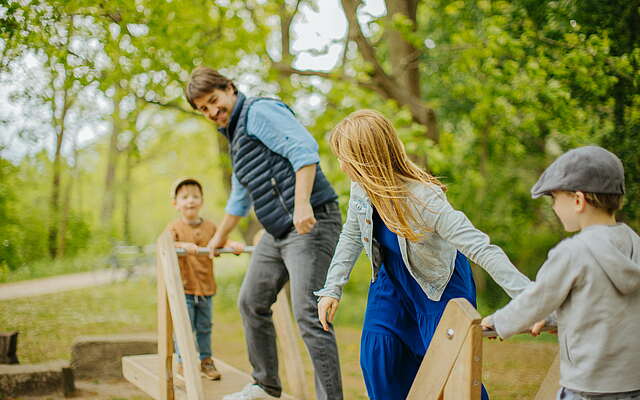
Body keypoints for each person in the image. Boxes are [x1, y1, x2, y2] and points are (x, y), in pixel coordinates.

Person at [314, 110, 532, 400]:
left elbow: (480, 247)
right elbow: (352, 236)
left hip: (438, 287)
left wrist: (532, 301)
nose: (341, 166)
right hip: (390, 283)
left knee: (451, 370)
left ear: (366, 160)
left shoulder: (424, 199)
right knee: (379, 359)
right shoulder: (361, 190)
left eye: (345, 158)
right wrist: (332, 288)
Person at [185, 67, 343, 400]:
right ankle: (265, 385)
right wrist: (218, 238)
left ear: (229, 88)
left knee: (309, 314)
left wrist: (302, 204)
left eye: (214, 101)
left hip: (311, 223)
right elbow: (240, 197)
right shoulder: (235, 136)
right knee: (251, 302)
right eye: (204, 109)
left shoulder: (259, 112)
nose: (213, 112)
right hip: (277, 232)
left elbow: (304, 150)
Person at [481, 146, 640, 400]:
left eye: (555, 199)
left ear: (578, 201)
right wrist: (558, 318)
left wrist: (498, 322)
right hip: (632, 384)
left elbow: (536, 299)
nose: (554, 207)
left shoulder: (573, 252)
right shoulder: (634, 244)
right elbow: (602, 306)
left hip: (587, 388)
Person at [167, 177, 244, 382]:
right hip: (185, 288)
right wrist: (183, 245)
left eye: (195, 196)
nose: (190, 201)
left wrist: (232, 244)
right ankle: (183, 361)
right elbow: (165, 246)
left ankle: (206, 361)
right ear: (175, 203)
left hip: (206, 288)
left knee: (204, 327)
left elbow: (221, 240)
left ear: (202, 201)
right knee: (185, 327)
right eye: (184, 197)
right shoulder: (174, 228)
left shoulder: (210, 226)